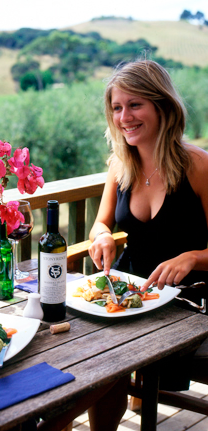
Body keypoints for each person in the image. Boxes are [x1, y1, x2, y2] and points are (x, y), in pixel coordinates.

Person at [88, 59, 208, 392]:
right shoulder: (119, 163)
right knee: (93, 360)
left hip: (189, 299)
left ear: (161, 105)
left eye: (135, 105)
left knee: (110, 360)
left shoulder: (198, 165)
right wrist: (102, 238)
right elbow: (100, 223)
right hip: (130, 293)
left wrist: (193, 258)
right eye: (117, 107)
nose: (124, 117)